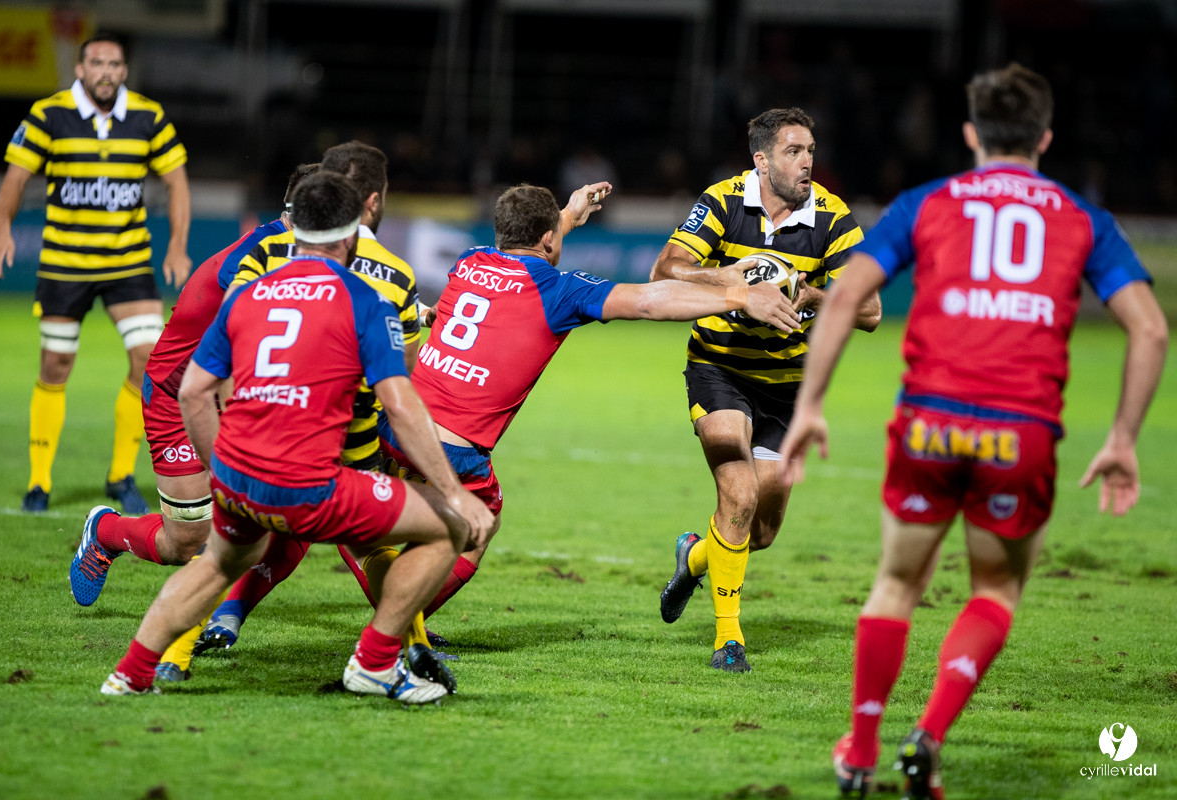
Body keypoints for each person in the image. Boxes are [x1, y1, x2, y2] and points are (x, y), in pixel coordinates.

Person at [776, 64, 1168, 799]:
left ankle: (860, 751)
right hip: (1021, 433)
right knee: (995, 588)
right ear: (1044, 139)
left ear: (969, 134)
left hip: (930, 420)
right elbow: (1149, 330)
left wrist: (811, 406)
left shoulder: (927, 202)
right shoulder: (1085, 219)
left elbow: (846, 298)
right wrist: (1121, 438)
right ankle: (928, 736)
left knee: (897, 584)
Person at [99, 170, 495, 703]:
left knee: (215, 563)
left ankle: (129, 674)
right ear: (352, 235)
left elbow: (193, 392)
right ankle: (374, 663)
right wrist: (453, 492)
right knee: (450, 524)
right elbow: (400, 405)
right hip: (311, 488)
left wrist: (223, 470)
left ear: (293, 227)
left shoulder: (247, 294)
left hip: (240, 480)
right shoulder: (363, 300)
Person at [365, 181, 803, 637]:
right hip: (455, 451)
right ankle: (398, 629)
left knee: (394, 521)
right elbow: (649, 301)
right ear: (548, 238)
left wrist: (569, 216)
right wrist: (740, 297)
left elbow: (520, 247)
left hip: (395, 423)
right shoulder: (560, 291)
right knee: (478, 523)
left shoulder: (469, 260)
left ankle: (394, 615)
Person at [69, 163, 319, 682]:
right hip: (178, 396)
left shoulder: (303, 253)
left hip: (226, 396)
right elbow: (237, 341)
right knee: (187, 540)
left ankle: (221, 619)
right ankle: (107, 533)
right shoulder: (259, 257)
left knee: (274, 514)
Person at [653, 107, 881, 672]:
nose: (807, 163)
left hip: (787, 385)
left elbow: (871, 311)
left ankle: (695, 558)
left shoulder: (833, 218)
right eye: (793, 152)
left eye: (810, 151)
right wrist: (732, 281)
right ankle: (728, 641)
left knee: (761, 530)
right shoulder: (723, 201)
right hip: (719, 368)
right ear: (761, 160)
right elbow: (666, 269)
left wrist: (813, 296)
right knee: (738, 494)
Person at [192, 141, 425, 655]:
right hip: (349, 440)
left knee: (229, 545)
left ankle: (176, 650)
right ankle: (402, 651)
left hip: (261, 428)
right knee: (393, 539)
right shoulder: (395, 275)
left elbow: (229, 332)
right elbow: (401, 377)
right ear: (372, 201)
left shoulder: (270, 251)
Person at [0, 31, 192, 514]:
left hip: (128, 261)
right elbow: (16, 177)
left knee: (149, 360)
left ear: (124, 72)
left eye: (115, 65)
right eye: (97, 63)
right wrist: (1, 228)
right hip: (65, 263)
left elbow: (177, 182)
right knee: (55, 365)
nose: (106, 72)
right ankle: (39, 483)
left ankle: (121, 475)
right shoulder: (49, 114)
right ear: (80, 69)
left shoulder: (148, 116)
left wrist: (177, 245)